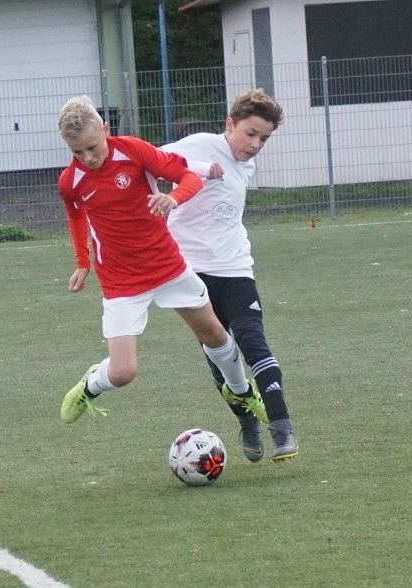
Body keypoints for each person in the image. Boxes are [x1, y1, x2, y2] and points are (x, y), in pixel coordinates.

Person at [55, 95, 266, 425]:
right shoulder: (71, 181)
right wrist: (82, 261)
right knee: (123, 372)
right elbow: (75, 215)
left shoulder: (134, 151)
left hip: (168, 267)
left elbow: (188, 176)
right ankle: (90, 385)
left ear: (106, 130)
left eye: (92, 147)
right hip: (121, 281)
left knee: (216, 336)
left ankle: (241, 391)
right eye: (77, 152)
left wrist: (173, 198)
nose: (88, 158)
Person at [163, 89, 298, 462]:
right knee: (220, 359)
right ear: (229, 124)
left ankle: (282, 427)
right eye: (250, 133)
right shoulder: (200, 146)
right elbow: (150, 159)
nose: (255, 145)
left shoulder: (246, 164)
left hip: (236, 269)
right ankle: (247, 421)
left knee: (253, 342)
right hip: (189, 274)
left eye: (263, 139)